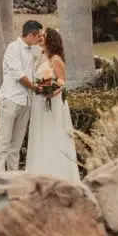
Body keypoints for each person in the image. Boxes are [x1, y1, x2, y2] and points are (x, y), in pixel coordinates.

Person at [25, 27, 80, 183]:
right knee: (40, 135)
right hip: (39, 103)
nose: (40, 37)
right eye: (40, 35)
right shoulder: (40, 56)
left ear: (51, 40)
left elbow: (62, 82)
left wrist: (50, 93)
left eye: (43, 35)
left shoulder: (56, 59)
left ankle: (57, 174)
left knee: (52, 134)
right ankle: (39, 172)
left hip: (53, 102)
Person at [0, 20, 43, 171]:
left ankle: (13, 175)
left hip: (26, 102)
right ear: (30, 35)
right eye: (38, 36)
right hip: (11, 99)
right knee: (4, 141)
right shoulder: (13, 48)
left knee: (16, 145)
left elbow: (38, 69)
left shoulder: (32, 49)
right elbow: (19, 75)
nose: (40, 39)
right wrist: (35, 87)